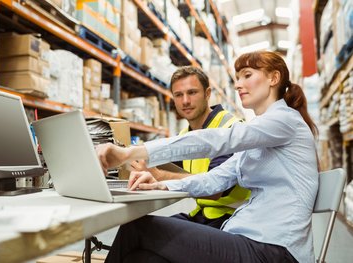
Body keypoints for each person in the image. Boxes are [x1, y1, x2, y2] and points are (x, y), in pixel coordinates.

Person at [97, 51, 319, 263]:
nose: (238, 84)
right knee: (143, 259)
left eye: (247, 76)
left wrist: (128, 153)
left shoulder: (284, 121)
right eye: (237, 78)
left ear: (274, 78)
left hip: (274, 250)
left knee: (136, 228)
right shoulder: (259, 136)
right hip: (246, 238)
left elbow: (214, 140)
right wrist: (161, 185)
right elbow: (215, 179)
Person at [130, 66, 250, 229]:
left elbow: (215, 190)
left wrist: (159, 175)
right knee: (134, 227)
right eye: (178, 95)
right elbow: (167, 166)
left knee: (139, 232)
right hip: (203, 215)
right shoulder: (185, 134)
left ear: (207, 94)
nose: (185, 101)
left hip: (231, 219)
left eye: (192, 92)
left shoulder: (230, 129)